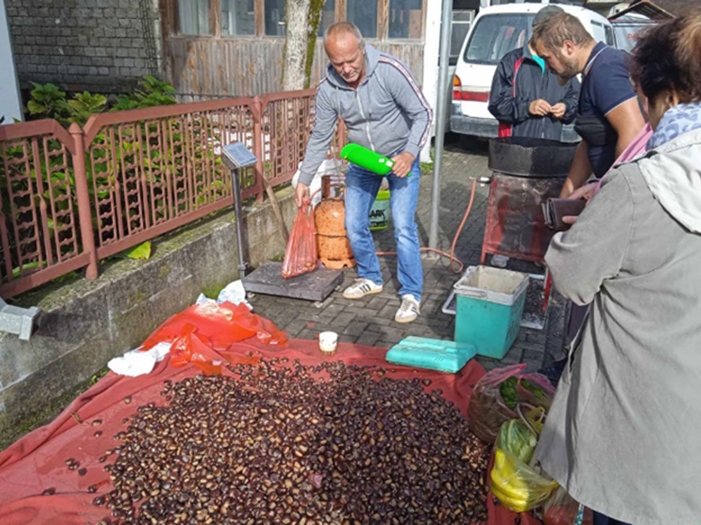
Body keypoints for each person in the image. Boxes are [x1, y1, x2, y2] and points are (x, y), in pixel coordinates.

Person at [536, 14, 701, 525]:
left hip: (643, 435)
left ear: (667, 93)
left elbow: (572, 276)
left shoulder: (642, 185)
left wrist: (594, 214)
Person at [295, 22, 432, 324]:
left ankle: (411, 294)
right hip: (362, 160)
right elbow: (320, 136)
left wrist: (410, 152)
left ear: (362, 47)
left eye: (351, 60)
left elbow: (422, 113)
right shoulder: (328, 89)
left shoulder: (389, 70)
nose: (346, 69)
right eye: (337, 63)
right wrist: (304, 179)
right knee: (354, 223)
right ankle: (370, 277)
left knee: (403, 225)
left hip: (401, 158)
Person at [531, 12, 645, 198]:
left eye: (547, 58)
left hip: (626, 196)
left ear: (568, 47)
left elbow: (633, 133)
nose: (547, 66)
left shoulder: (606, 70)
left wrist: (609, 190)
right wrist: (565, 196)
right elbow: (592, 139)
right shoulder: (593, 69)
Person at [488, 5, 579, 140]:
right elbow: (497, 104)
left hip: (551, 146)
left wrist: (566, 107)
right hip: (516, 148)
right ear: (537, 31)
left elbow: (576, 96)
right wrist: (527, 107)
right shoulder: (511, 62)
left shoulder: (562, 63)